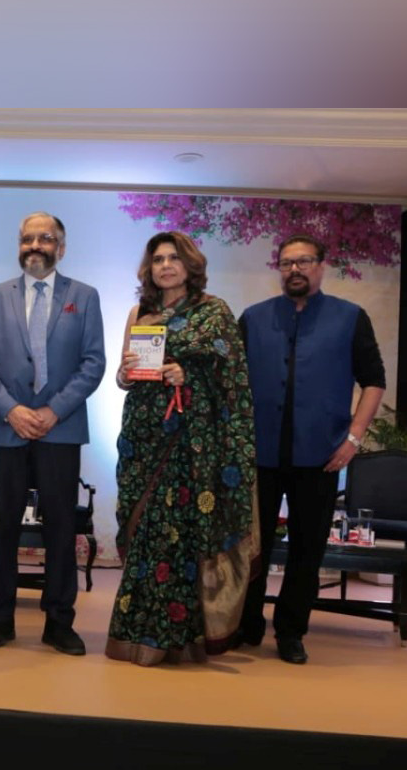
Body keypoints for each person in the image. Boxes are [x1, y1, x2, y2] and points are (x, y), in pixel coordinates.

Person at [108, 231, 258, 666]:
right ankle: (135, 632)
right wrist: (124, 374)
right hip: (144, 437)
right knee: (145, 533)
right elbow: (122, 376)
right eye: (158, 259)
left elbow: (233, 377)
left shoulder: (214, 312)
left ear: (190, 265)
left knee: (177, 536)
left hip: (191, 442)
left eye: (174, 258)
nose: (165, 266)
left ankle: (174, 638)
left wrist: (187, 376)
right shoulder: (140, 312)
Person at [238, 234, 386, 664]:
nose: (295, 269)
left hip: (321, 456)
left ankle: (291, 631)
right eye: (287, 262)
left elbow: (374, 381)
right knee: (252, 545)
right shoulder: (253, 318)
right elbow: (231, 382)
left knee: (307, 549)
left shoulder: (350, 318)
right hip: (259, 454)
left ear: (321, 265)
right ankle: (247, 624)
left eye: (303, 261)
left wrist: (353, 439)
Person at [0, 212, 106, 655]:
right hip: (6, 429)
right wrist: (10, 410)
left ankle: (59, 623)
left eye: (45, 238)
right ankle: (0, 619)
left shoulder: (85, 296)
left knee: (61, 529)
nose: (35, 245)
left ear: (60, 248)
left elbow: (93, 363)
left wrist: (53, 410)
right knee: (3, 528)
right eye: (27, 238)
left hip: (60, 431)